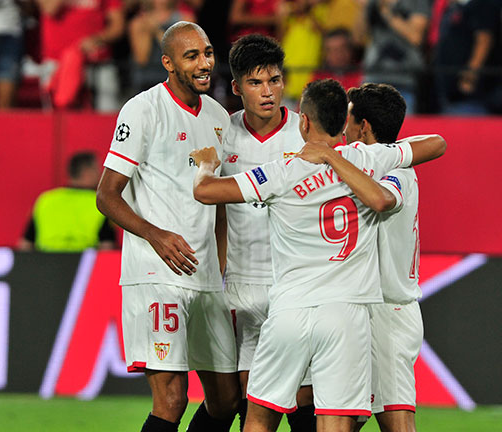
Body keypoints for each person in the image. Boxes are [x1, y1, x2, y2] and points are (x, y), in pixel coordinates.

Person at [189, 78, 445, 432]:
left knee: (260, 417)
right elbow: (436, 144)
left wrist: (205, 164)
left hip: (290, 310)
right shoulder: (367, 160)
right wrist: (333, 155)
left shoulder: (281, 170)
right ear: (344, 122)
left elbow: (205, 192)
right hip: (346, 314)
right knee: (335, 422)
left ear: (304, 122)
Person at [96, 21, 241, 432]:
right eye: (191, 56)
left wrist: (220, 262)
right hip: (156, 275)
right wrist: (155, 235)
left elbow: (218, 199)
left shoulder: (218, 116)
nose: (204, 63)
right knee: (172, 400)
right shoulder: (143, 110)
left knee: (227, 399)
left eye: (207, 53)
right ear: (168, 63)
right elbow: (106, 196)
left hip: (206, 276)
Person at [304, 83, 427, 432]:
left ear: (364, 127)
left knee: (397, 421)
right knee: (344, 418)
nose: (344, 127)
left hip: (389, 312)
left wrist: (331, 157)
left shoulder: (396, 172)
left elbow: (383, 199)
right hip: (359, 308)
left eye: (350, 118)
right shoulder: (363, 167)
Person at [221, 33, 313, 432]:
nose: (268, 91)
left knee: (302, 398)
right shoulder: (222, 133)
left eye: (274, 80)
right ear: (237, 87)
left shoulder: (306, 134)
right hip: (242, 284)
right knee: (250, 397)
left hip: (293, 283)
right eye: (256, 82)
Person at [19, 151, 117, 252]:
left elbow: (25, 245)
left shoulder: (46, 200)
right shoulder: (101, 203)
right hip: (84, 261)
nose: (101, 174)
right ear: (88, 172)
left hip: (45, 260)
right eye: (98, 170)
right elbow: (107, 248)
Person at [356, 0, 429, 114]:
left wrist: (386, 12)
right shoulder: (373, 3)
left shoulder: (417, 2)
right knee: (366, 122)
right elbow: (358, 38)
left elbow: (415, 37)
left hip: (403, 78)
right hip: (373, 75)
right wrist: (364, 9)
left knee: (401, 123)